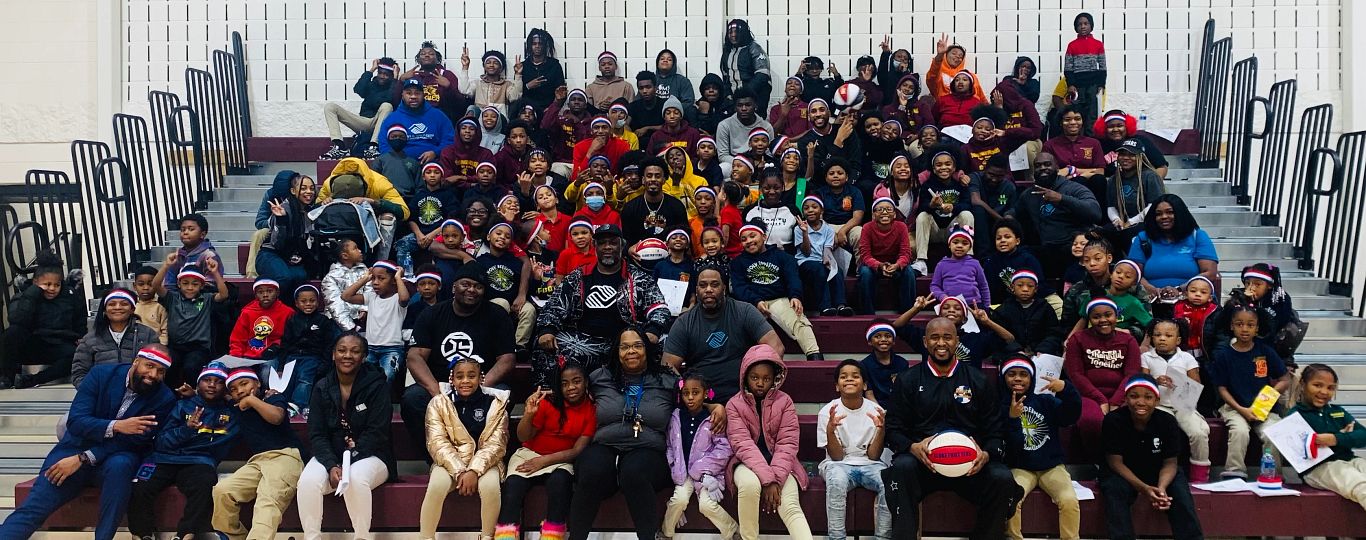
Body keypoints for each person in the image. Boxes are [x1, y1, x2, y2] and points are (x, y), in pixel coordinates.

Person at [0, 346, 175, 540]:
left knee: (122, 464)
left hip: (115, 458)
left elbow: (135, 441)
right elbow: (76, 421)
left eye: (161, 371)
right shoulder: (101, 375)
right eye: (149, 366)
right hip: (75, 450)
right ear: (136, 361)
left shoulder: (164, 398)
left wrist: (84, 458)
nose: (153, 375)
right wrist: (116, 426)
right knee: (32, 509)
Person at [883, 317, 1022, 539]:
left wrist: (986, 454)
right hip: (924, 464)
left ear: (957, 341)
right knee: (902, 467)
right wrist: (912, 447)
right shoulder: (907, 380)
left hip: (969, 466)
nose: (941, 343)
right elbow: (893, 429)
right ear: (925, 342)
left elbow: (995, 431)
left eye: (947, 337)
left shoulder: (979, 380)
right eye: (934, 338)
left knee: (1001, 477)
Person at [568, 327, 683, 540]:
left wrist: (713, 406)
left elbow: (695, 398)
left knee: (634, 472)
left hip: (649, 451)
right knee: (591, 470)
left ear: (647, 349)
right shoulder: (599, 377)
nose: (631, 351)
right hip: (605, 446)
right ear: (617, 351)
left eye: (637, 346)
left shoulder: (668, 379)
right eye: (625, 347)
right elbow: (568, 394)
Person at [402, 264, 516, 461]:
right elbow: (415, 356)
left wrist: (477, 387)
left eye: (478, 286)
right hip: (442, 385)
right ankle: (437, 458)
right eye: (466, 284)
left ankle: (479, 457)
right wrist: (439, 394)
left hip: (482, 383)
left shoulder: (497, 315)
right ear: (454, 287)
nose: (471, 290)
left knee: (503, 395)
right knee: (412, 398)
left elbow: (507, 359)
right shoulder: (432, 314)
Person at [534, 224, 670, 386]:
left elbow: (659, 308)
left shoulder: (638, 277)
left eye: (613, 242)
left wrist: (653, 329)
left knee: (663, 341)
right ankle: (550, 395)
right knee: (543, 341)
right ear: (594, 246)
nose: (607, 247)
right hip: (583, 341)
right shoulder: (578, 275)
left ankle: (650, 390)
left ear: (621, 246)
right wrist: (547, 329)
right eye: (602, 243)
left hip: (625, 342)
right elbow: (554, 306)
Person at [296, 332, 396, 540]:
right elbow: (317, 434)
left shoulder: (377, 386)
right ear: (333, 354)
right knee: (307, 482)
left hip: (373, 455)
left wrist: (349, 460)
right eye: (342, 350)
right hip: (333, 455)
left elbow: (377, 433)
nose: (347, 355)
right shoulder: (322, 386)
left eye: (355, 351)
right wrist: (332, 464)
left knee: (355, 478)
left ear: (364, 356)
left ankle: (361, 537)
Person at [127, 365, 240, 540]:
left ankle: (186, 535)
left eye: (218, 382)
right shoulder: (181, 406)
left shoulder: (231, 414)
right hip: (162, 458)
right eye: (207, 380)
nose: (212, 385)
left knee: (205, 483)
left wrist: (228, 399)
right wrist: (186, 430)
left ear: (225, 388)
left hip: (199, 461)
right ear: (198, 384)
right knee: (140, 484)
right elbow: (161, 442)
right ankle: (142, 535)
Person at [497, 361, 595, 540]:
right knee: (513, 487)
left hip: (561, 459)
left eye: (576, 381)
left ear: (586, 382)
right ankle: (505, 536)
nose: (571, 388)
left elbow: (577, 450)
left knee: (560, 484)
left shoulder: (591, 409)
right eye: (564, 384)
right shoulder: (547, 403)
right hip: (530, 453)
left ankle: (551, 536)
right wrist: (529, 414)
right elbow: (523, 436)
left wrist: (544, 461)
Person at [1100, 375, 1204, 540]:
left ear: (1157, 400)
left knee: (1180, 494)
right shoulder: (1113, 420)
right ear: (1126, 398)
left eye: (1148, 397)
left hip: (1158, 470)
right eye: (1134, 396)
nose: (1141, 402)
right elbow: (1115, 462)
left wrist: (1161, 489)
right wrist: (1144, 488)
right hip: (1123, 472)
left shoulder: (1168, 421)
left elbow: (1170, 463)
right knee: (1114, 489)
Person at [725, 344, 813, 540]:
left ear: (775, 378)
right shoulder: (734, 405)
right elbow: (743, 445)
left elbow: (788, 444)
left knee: (789, 506)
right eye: (754, 377)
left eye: (766, 378)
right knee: (749, 485)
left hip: (781, 465)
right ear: (745, 377)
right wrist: (767, 480)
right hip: (745, 463)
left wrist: (775, 480)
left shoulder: (785, 402)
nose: (760, 383)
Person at [663, 264, 784, 402]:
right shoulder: (684, 322)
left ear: (724, 288)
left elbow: (776, 347)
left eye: (715, 285)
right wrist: (688, 393)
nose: (708, 289)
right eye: (703, 285)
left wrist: (756, 386)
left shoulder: (745, 311)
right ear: (696, 290)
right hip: (702, 401)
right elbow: (667, 366)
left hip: (744, 396)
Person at [419, 355, 509, 540]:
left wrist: (474, 471)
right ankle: (426, 537)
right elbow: (436, 442)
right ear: (451, 379)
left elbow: (497, 444)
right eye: (460, 376)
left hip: (486, 463)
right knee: (436, 485)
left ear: (481, 378)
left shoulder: (496, 404)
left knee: (491, 487)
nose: (465, 381)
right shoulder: (438, 403)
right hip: (450, 463)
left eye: (471, 376)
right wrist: (460, 471)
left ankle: (487, 536)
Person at [212, 368, 306, 540]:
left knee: (267, 501)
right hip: (257, 461)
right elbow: (216, 393)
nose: (240, 391)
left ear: (258, 383)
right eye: (233, 389)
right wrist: (192, 392)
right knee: (222, 490)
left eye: (244, 384)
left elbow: (276, 417)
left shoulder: (272, 397)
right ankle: (235, 536)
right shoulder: (236, 406)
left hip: (285, 457)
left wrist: (252, 400)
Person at [1000, 355, 1081, 540]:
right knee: (1011, 499)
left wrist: (1066, 389)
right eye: (1012, 374)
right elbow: (1013, 445)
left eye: (1023, 374)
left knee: (1069, 500)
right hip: (1020, 467)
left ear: (1032, 378)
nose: (1018, 379)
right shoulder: (999, 407)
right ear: (1003, 378)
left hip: (1051, 466)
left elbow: (1071, 416)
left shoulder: (1046, 401)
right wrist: (1012, 419)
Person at [1210, 303, 1289, 478]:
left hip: (1264, 407)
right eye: (1239, 324)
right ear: (1232, 326)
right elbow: (1221, 389)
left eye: (1250, 325)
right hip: (1234, 407)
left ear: (1257, 328)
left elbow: (1285, 380)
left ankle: (1272, 475)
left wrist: (1265, 400)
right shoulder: (1223, 355)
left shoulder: (1265, 351)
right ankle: (1235, 472)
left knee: (1272, 433)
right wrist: (1241, 409)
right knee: (1239, 431)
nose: (1244, 329)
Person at [818, 360, 891, 540]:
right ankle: (837, 537)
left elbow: (874, 456)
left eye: (855, 376)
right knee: (836, 481)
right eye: (843, 377)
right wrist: (830, 430)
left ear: (864, 385)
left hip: (870, 464)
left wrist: (881, 430)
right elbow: (836, 457)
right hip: (838, 464)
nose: (849, 379)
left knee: (889, 482)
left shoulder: (876, 411)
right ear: (837, 386)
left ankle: (883, 537)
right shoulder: (827, 412)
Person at [661, 371, 738, 540]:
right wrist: (673, 463)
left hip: (706, 474)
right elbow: (669, 445)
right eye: (686, 393)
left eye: (695, 392)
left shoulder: (712, 419)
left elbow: (724, 448)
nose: (690, 397)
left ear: (706, 394)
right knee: (679, 500)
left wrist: (704, 470)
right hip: (683, 473)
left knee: (706, 506)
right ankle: (667, 533)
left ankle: (732, 531)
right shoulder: (675, 417)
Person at [730, 222, 823, 361]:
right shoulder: (737, 263)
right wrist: (756, 301)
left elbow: (793, 278)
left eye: (752, 236)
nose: (748, 241)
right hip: (751, 304)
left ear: (764, 237)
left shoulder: (783, 257)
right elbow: (739, 288)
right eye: (744, 239)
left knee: (798, 320)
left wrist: (795, 296)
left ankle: (814, 357)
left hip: (779, 299)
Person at [1064, 298, 1142, 459]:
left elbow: (1132, 374)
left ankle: (1128, 462)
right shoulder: (1077, 339)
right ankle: (1098, 461)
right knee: (1092, 421)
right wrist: (1100, 399)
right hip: (1087, 395)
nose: (1103, 320)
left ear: (1116, 317)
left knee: (1128, 420)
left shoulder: (1128, 340)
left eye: (1108, 315)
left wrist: (1116, 401)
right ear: (1090, 319)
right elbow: (1075, 374)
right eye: (1096, 316)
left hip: (1122, 394)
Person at [1009, 152, 1102, 279]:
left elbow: (1095, 212)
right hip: (1046, 249)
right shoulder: (1029, 194)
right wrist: (1008, 217)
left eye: (1047, 164)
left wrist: (1061, 198)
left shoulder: (1073, 188)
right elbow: (1015, 211)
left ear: (1057, 167)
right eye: (1038, 166)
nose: (1042, 168)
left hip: (1072, 247)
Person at [1142, 318, 1212, 482]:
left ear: (1178, 340)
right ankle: (1155, 470)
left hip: (1183, 405)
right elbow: (1143, 384)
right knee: (1161, 430)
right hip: (1159, 406)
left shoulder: (1186, 358)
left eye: (1168, 335)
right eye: (1157, 335)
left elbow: (1196, 385)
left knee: (1199, 432)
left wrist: (1178, 384)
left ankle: (1200, 474)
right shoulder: (1146, 357)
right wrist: (1155, 381)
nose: (1162, 338)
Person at [1289, 364, 1366, 512]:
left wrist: (1335, 438)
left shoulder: (1338, 411)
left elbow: (1363, 435)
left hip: (1350, 460)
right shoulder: (1295, 416)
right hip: (1318, 468)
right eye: (1317, 385)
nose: (1324, 392)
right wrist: (1346, 436)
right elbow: (1305, 453)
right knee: (1360, 484)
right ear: (1303, 384)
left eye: (1330, 388)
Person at [152, 258, 229, 389]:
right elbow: (156, 286)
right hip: (175, 346)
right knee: (168, 364)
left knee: (191, 367)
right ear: (179, 284)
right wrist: (166, 266)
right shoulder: (172, 298)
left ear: (202, 285)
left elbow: (224, 294)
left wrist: (215, 273)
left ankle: (193, 393)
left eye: (195, 284)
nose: (190, 287)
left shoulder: (206, 299)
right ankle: (170, 394)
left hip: (198, 347)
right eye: (185, 283)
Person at [1129, 194, 1219, 292]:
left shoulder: (1198, 236)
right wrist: (1154, 291)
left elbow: (1209, 273)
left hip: (1191, 297)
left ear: (1180, 213)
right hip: (1149, 297)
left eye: (1170, 212)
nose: (1164, 217)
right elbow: (1132, 273)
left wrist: (1179, 290)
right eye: (1158, 214)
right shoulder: (1143, 238)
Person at [70, 289, 159, 388]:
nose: (117, 307)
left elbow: (157, 368)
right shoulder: (89, 339)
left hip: (139, 393)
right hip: (101, 394)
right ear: (105, 310)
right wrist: (94, 392)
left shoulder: (148, 335)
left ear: (132, 309)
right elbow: (79, 374)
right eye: (112, 304)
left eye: (124, 304)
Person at [340, 261, 411, 384]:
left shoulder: (397, 299)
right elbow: (346, 296)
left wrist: (398, 277)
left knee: (387, 376)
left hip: (392, 349)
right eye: (373, 278)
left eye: (381, 278)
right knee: (360, 377)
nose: (375, 282)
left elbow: (404, 298)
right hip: (370, 348)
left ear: (393, 280)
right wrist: (365, 279)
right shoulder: (372, 297)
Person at [275, 284, 337, 413]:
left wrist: (325, 364)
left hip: (312, 357)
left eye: (312, 301)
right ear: (297, 304)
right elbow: (285, 343)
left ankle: (299, 404)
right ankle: (284, 405)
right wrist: (281, 366)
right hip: (292, 356)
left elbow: (328, 345)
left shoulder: (323, 321)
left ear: (318, 302)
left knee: (305, 379)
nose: (308, 304)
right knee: (289, 380)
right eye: (303, 301)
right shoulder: (292, 320)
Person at [321, 57, 397, 159]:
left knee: (387, 106)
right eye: (380, 73)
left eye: (386, 74)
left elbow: (391, 98)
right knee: (330, 107)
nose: (382, 76)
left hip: (380, 123)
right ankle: (339, 146)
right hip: (364, 122)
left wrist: (395, 79)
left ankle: (373, 146)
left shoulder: (394, 87)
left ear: (391, 76)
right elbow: (358, 89)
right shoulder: (372, 84)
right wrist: (371, 70)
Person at [257, 171, 320, 293]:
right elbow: (277, 244)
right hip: (270, 254)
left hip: (290, 256)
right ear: (293, 191)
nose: (309, 192)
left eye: (312, 188)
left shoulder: (309, 211)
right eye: (303, 188)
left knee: (301, 276)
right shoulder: (283, 209)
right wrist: (281, 220)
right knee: (284, 277)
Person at [476, 222, 537, 347]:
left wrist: (535, 279)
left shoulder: (515, 262)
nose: (502, 237)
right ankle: (500, 345)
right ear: (488, 237)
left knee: (529, 309)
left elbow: (528, 287)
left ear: (510, 243)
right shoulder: (480, 261)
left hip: (514, 303)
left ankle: (519, 346)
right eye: (498, 233)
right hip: (490, 304)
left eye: (507, 236)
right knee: (501, 303)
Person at [912, 150, 973, 274]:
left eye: (948, 164)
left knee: (967, 214)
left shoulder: (960, 185)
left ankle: (967, 257)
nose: (943, 167)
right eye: (939, 165)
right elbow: (921, 209)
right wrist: (931, 205)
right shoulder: (927, 186)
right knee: (923, 216)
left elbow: (968, 204)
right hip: (934, 230)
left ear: (954, 168)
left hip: (953, 229)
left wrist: (953, 207)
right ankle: (921, 260)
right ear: (933, 169)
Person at [858, 197, 917, 314]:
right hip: (874, 266)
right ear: (873, 215)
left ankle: (907, 312)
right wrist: (880, 265)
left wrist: (897, 265)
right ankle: (867, 313)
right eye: (880, 209)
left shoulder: (901, 227)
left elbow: (905, 253)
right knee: (865, 272)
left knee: (909, 271)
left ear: (894, 214)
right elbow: (865, 255)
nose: (884, 212)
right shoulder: (867, 227)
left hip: (895, 265)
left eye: (889, 209)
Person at [1105, 138, 1166, 249]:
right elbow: (1111, 207)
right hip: (1123, 223)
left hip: (1146, 222)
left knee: (1130, 234)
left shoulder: (1150, 176)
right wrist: (1117, 220)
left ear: (1140, 157)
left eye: (1131, 155)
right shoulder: (1113, 179)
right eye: (1122, 154)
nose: (1126, 158)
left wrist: (1131, 222)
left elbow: (1154, 206)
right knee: (1103, 233)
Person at [377, 78, 457, 163]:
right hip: (401, 163)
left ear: (424, 95)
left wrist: (436, 152)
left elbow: (450, 140)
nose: (413, 97)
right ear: (402, 95)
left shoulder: (438, 115)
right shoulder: (392, 118)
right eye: (409, 93)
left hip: (433, 163)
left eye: (417, 93)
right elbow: (383, 144)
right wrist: (396, 159)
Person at [794, 195, 848, 316]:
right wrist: (805, 233)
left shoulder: (828, 229)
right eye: (806, 208)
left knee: (837, 271)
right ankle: (825, 307)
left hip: (821, 261)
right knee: (819, 270)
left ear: (821, 210)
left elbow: (827, 250)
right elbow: (806, 252)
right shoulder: (798, 229)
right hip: (805, 262)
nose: (810, 210)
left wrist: (828, 261)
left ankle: (841, 305)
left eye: (814, 207)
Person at [1041, 105, 1107, 200]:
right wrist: (1083, 174)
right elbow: (1050, 173)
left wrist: (1071, 170)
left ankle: (1099, 209)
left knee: (1098, 179)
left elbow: (1100, 172)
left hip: (1090, 184)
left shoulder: (1094, 143)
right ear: (1061, 122)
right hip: (1062, 187)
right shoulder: (1050, 145)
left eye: (1077, 119)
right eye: (1067, 119)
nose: (1073, 122)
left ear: (1082, 121)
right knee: (1079, 181)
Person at [993, 270, 1062, 357]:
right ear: (1012, 287)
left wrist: (1043, 349)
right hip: (1012, 354)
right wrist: (1016, 350)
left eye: (1030, 286)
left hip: (1040, 354)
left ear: (1036, 289)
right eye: (1020, 285)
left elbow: (1054, 333)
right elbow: (998, 337)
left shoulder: (1045, 308)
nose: (1025, 289)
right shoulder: (1003, 310)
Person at [621, 157, 689, 245]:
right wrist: (631, 249)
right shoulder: (630, 207)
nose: (653, 179)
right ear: (643, 179)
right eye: (649, 176)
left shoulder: (676, 206)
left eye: (657, 176)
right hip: (639, 252)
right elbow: (626, 241)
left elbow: (684, 237)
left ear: (664, 180)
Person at [396, 41, 468, 123]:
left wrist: (448, 87)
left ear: (437, 58)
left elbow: (460, 104)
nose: (427, 55)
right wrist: (401, 80)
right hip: (415, 116)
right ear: (418, 59)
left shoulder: (447, 75)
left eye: (431, 54)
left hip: (440, 118)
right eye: (423, 54)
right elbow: (396, 102)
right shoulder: (412, 76)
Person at [228, 278, 295, 360]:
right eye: (260, 292)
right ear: (255, 295)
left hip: (274, 356)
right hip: (249, 356)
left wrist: (277, 346)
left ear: (277, 293)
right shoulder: (247, 312)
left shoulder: (288, 312)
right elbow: (237, 339)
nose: (265, 295)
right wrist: (235, 358)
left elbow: (290, 339)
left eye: (270, 291)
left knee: (268, 368)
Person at [1064, 13, 1107, 134]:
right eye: (1079, 24)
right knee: (1077, 112)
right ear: (1076, 27)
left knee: (1092, 113)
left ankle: (1090, 139)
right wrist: (1070, 84)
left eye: (1086, 23)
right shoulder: (1072, 45)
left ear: (1091, 26)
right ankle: (1078, 137)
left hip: (1093, 86)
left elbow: (1102, 66)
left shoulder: (1098, 44)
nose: (1082, 26)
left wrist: (1101, 84)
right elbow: (1068, 68)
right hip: (1077, 86)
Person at [159, 213, 225, 291]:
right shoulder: (177, 255)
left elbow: (211, 286)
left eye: (191, 229)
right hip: (178, 297)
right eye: (183, 230)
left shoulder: (209, 255)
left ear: (202, 234)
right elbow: (169, 285)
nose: (185, 232)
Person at [1097, 110, 1169, 178]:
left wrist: (1152, 182)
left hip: (1140, 183)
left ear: (1127, 126)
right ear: (1103, 128)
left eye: (1120, 126)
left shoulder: (1141, 140)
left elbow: (1162, 167)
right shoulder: (1098, 144)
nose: (1115, 129)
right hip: (1110, 183)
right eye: (1110, 126)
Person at [719, 19, 772, 112]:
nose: (733, 35)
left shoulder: (754, 48)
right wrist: (728, 95)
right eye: (730, 32)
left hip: (755, 95)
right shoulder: (727, 51)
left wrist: (743, 93)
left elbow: (762, 75)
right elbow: (725, 77)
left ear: (744, 32)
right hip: (734, 98)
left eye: (736, 32)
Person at [969, 154, 1020, 251]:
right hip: (979, 221)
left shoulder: (1009, 186)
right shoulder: (975, 178)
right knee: (979, 210)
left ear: (1005, 174)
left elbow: (1011, 208)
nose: (994, 179)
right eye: (991, 174)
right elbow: (975, 200)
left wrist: (1008, 217)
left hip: (998, 223)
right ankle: (984, 253)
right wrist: (1000, 219)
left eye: (1000, 176)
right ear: (985, 169)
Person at [715, 89, 774, 172]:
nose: (744, 108)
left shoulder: (766, 126)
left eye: (748, 105)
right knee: (723, 168)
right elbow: (723, 155)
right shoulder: (724, 125)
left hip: (760, 162)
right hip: (735, 162)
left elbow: (769, 153)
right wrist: (745, 164)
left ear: (755, 106)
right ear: (735, 107)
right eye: (740, 105)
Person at [322, 238, 370, 331]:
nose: (360, 251)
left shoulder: (364, 271)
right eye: (355, 248)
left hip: (361, 317)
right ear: (345, 256)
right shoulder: (331, 277)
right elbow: (335, 304)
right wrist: (351, 327)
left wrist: (365, 309)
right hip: (338, 322)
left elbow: (370, 291)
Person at [459, 48, 522, 116]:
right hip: (481, 119)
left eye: (495, 63)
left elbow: (515, 97)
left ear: (501, 68)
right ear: (484, 66)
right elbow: (464, 90)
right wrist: (465, 67)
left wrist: (518, 74)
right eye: (488, 63)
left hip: (499, 119)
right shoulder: (478, 84)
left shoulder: (506, 85)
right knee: (472, 108)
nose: (491, 65)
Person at [746, 171, 800, 249]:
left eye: (776, 188)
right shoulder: (749, 211)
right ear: (760, 189)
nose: (771, 192)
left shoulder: (792, 211)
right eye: (767, 188)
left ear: (782, 188)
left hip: (784, 255)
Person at [441, 117, 498, 188]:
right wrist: (471, 184)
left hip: (479, 190)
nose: (467, 131)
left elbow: (488, 177)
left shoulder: (486, 154)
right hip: (453, 190)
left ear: (477, 133)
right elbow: (448, 180)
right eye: (463, 128)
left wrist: (462, 177)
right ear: (458, 131)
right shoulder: (447, 152)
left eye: (471, 129)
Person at [860, 321, 909, 404]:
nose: (883, 340)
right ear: (869, 342)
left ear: (893, 341)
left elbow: (905, 392)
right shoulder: (864, 365)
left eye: (888, 336)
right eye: (877, 336)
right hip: (875, 407)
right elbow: (869, 394)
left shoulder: (902, 363)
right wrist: (879, 410)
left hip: (898, 407)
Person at [927, 34, 985, 101]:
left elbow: (982, 99)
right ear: (945, 55)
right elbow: (932, 77)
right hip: (945, 107)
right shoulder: (938, 75)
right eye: (954, 53)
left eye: (960, 56)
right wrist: (940, 55)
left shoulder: (971, 77)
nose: (957, 56)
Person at [520, 29, 567, 111]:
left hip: (549, 110)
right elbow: (516, 94)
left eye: (540, 43)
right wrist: (528, 86)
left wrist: (551, 109)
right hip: (528, 111)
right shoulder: (523, 66)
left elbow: (561, 92)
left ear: (545, 45)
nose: (537, 46)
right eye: (534, 43)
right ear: (530, 45)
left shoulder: (554, 66)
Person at [374, 126, 422, 197]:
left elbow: (420, 187)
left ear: (406, 140)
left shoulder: (414, 162)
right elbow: (374, 183)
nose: (397, 139)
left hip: (409, 198)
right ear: (388, 139)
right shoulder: (380, 160)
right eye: (394, 136)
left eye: (401, 137)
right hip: (386, 198)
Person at [131, 266, 169, 344]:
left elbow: (165, 332)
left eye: (150, 284)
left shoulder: (161, 306)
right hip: (134, 346)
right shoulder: (131, 307)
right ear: (134, 286)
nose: (146, 288)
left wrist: (160, 346)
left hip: (155, 346)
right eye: (141, 284)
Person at [876, 36, 915, 105]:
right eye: (899, 57)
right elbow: (882, 70)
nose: (902, 59)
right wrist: (886, 53)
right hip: (888, 108)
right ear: (893, 59)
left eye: (905, 58)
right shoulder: (887, 76)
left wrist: (904, 72)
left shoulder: (913, 78)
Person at [629, 72, 666, 139]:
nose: (644, 91)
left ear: (655, 87)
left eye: (648, 87)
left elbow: (670, 126)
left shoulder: (664, 104)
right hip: (638, 143)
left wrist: (648, 128)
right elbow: (625, 124)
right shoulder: (633, 106)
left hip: (661, 142)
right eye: (641, 88)